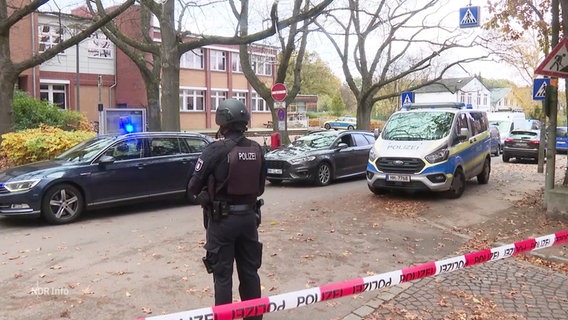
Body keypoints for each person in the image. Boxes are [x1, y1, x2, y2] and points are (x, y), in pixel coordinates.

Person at [188, 99, 266, 320]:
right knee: (250, 273)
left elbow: (192, 187)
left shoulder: (215, 149)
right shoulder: (257, 149)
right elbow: (260, 187)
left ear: (222, 122)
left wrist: (205, 194)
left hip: (222, 222)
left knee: (223, 277)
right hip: (250, 219)